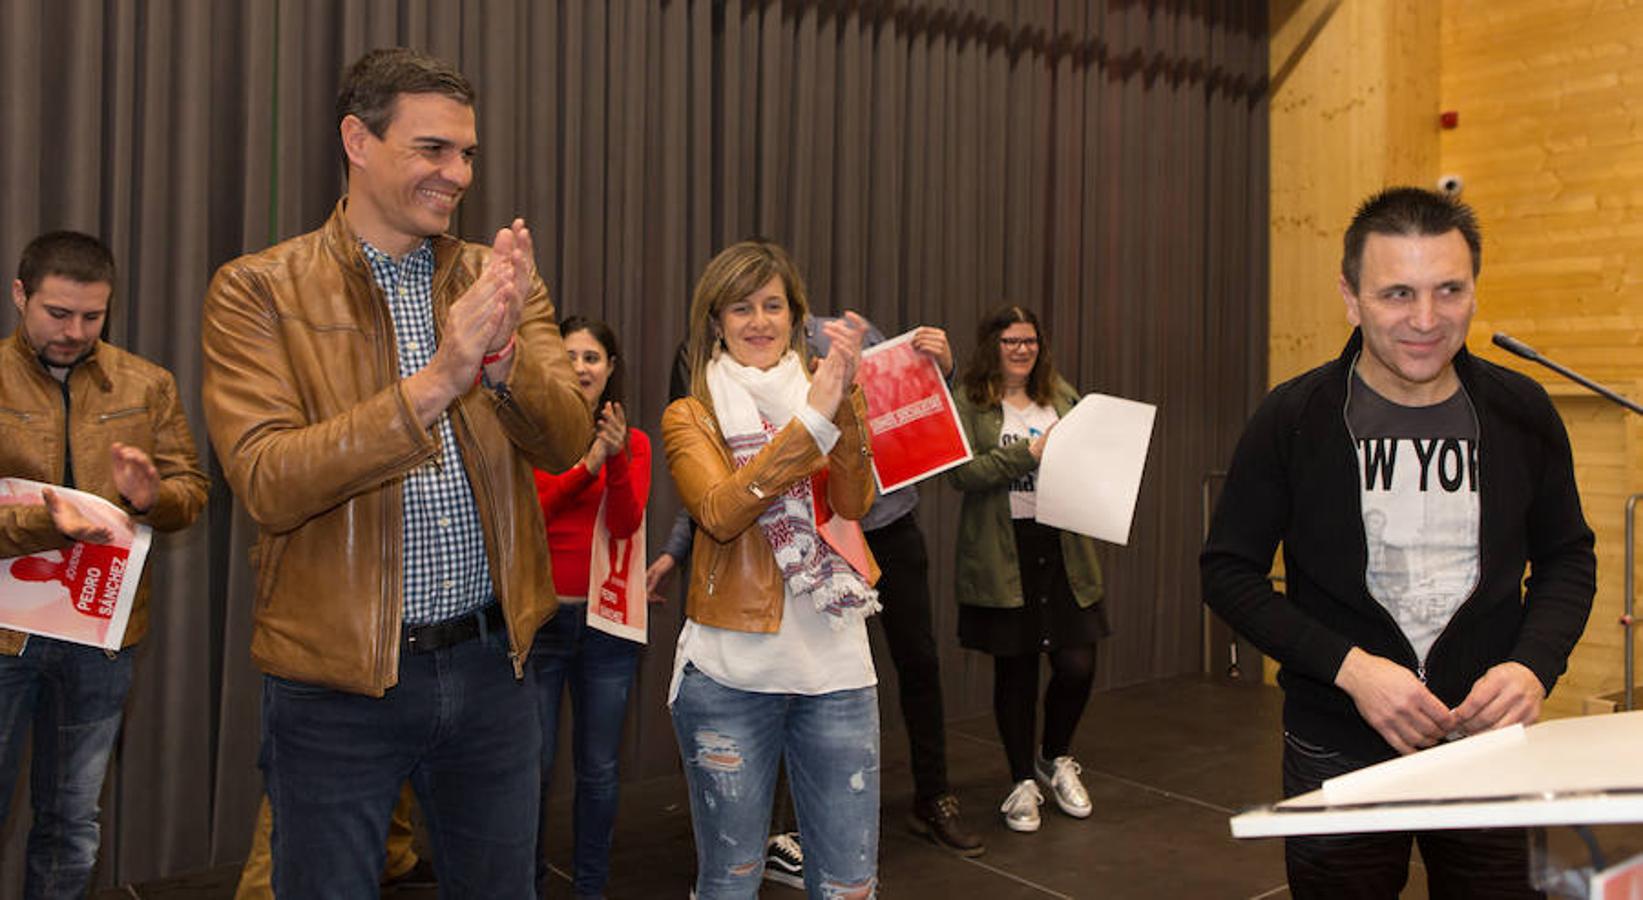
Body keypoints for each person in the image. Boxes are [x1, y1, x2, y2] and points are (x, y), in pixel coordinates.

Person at [200, 47, 591, 896]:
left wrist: (501, 364)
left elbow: (565, 442)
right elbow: (266, 479)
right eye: (432, 149)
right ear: (356, 139)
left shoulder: (497, 280)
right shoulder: (257, 291)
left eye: (467, 154)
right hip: (337, 683)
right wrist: (433, 385)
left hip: (494, 668)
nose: (457, 173)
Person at [1201, 186, 1596, 898]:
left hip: (1488, 747)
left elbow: (1567, 556)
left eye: (1448, 290)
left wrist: (1532, 667)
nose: (1424, 319)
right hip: (1336, 745)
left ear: (1473, 290)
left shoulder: (1519, 412)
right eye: (1396, 293)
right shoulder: (1293, 419)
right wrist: (1349, 669)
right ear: (1350, 298)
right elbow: (1228, 573)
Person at [662, 239, 880, 899]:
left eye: (771, 305)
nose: (757, 321)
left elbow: (854, 502)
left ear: (795, 316)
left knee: (848, 886)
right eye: (739, 308)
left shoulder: (831, 394)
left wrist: (840, 407)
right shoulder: (690, 416)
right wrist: (813, 420)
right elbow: (722, 511)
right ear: (715, 323)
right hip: (729, 678)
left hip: (837, 674)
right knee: (729, 884)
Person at [0, 230, 208, 897]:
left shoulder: (146, 383)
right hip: (4, 635)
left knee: (71, 822)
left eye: (92, 316)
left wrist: (153, 498)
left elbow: (191, 493)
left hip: (100, 636)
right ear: (19, 296)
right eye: (57, 314)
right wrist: (46, 522)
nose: (75, 331)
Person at [804, 315, 985, 855]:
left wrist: (943, 373)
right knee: (817, 674)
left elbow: (916, 410)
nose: (765, 313)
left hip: (890, 524)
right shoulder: (769, 354)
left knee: (919, 663)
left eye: (776, 298)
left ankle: (934, 797)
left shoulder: (855, 333)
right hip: (823, 529)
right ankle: (804, 815)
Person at [948, 304, 1107, 834]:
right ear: (991, 345)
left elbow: (1091, 455)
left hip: (1063, 545)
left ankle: (1054, 758)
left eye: (1030, 341)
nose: (1021, 350)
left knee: (1077, 665)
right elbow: (962, 474)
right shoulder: (971, 401)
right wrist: (1029, 455)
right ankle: (1021, 782)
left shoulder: (1061, 395)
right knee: (1014, 669)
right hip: (1001, 549)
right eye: (1011, 341)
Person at [530, 315, 651, 899]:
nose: (581, 368)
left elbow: (627, 522)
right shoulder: (532, 434)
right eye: (569, 357)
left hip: (608, 626)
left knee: (599, 771)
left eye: (592, 358)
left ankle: (590, 888)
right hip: (541, 622)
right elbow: (536, 511)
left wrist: (619, 456)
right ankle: (523, 885)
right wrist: (589, 466)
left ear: (610, 370)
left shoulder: (639, 442)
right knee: (534, 767)